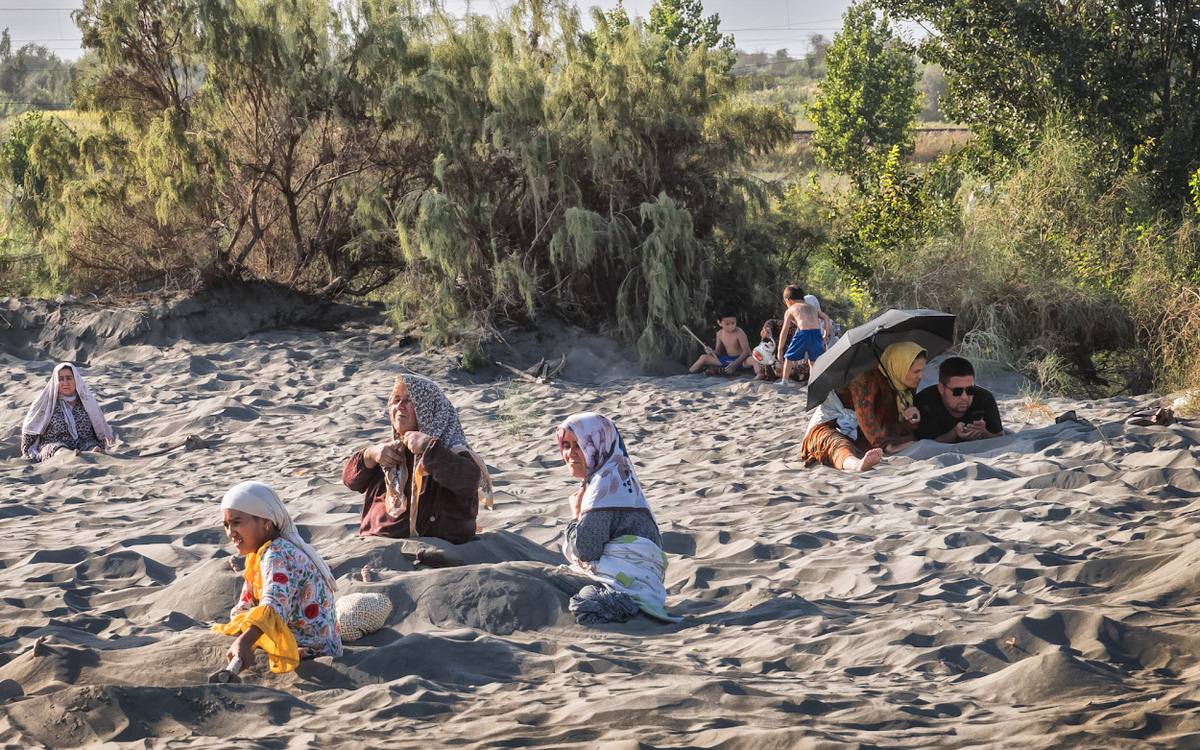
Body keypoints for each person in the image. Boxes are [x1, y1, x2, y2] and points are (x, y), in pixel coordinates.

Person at [342, 375, 492, 543]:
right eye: (396, 400)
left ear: (428, 409)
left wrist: (429, 448)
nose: (399, 406)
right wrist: (369, 455)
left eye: (408, 400)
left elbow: (469, 481)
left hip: (438, 553)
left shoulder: (452, 451)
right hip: (377, 549)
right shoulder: (387, 450)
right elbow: (350, 480)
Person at [557, 413, 676, 623]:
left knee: (545, 582)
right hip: (642, 585)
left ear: (599, 445)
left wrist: (576, 515)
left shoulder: (605, 486)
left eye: (580, 445)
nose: (570, 453)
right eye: (566, 445)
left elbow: (586, 549)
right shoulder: (615, 475)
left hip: (626, 586)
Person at [212, 481, 342, 673]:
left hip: (313, 651)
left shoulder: (277, 554)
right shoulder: (258, 554)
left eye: (237, 523)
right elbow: (247, 605)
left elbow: (274, 605)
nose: (231, 533)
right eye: (226, 525)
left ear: (266, 522)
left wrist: (245, 642)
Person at [800, 342, 927, 471]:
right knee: (834, 442)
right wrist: (888, 446)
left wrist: (910, 420)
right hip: (832, 421)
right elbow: (865, 416)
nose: (921, 376)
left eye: (922, 370)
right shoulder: (867, 380)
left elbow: (892, 422)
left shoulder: (904, 389)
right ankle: (856, 464)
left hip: (865, 433)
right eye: (916, 371)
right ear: (900, 367)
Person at [21, 363, 114, 461]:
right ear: (56, 381)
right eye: (61, 379)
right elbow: (30, 428)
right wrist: (27, 449)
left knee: (92, 448)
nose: (65, 383)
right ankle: (69, 456)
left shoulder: (87, 401)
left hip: (85, 443)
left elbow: (99, 427)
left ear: (76, 380)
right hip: (54, 444)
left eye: (69, 378)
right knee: (60, 451)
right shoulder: (46, 402)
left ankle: (91, 455)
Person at [915, 357, 1004, 442]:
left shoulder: (984, 398)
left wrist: (984, 433)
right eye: (957, 391)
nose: (964, 397)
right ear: (941, 388)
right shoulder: (925, 402)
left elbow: (1001, 438)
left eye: (970, 390)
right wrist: (954, 434)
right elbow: (925, 445)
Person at [777, 286, 825, 384]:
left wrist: (780, 348)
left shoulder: (790, 310)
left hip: (803, 333)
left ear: (788, 301)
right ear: (803, 299)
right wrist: (824, 335)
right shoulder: (811, 307)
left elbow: (784, 331)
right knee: (813, 361)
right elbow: (824, 318)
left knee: (789, 357)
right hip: (816, 333)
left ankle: (784, 380)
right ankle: (812, 382)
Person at [689, 310, 752, 375]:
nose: (731, 326)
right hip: (728, 360)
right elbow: (718, 351)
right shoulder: (719, 334)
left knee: (752, 360)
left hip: (742, 360)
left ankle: (759, 374)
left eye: (733, 323)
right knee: (703, 357)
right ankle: (689, 373)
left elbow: (746, 351)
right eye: (727, 324)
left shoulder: (739, 332)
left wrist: (735, 364)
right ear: (719, 323)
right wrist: (711, 352)